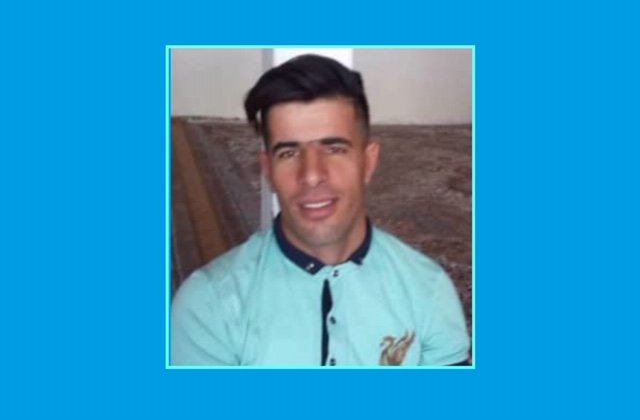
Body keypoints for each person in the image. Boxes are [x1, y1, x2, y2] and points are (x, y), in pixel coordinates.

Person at [171, 54, 470, 366]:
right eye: (289, 153)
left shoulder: (428, 291)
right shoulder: (207, 307)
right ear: (268, 170)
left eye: (334, 149)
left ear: (368, 162)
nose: (312, 175)